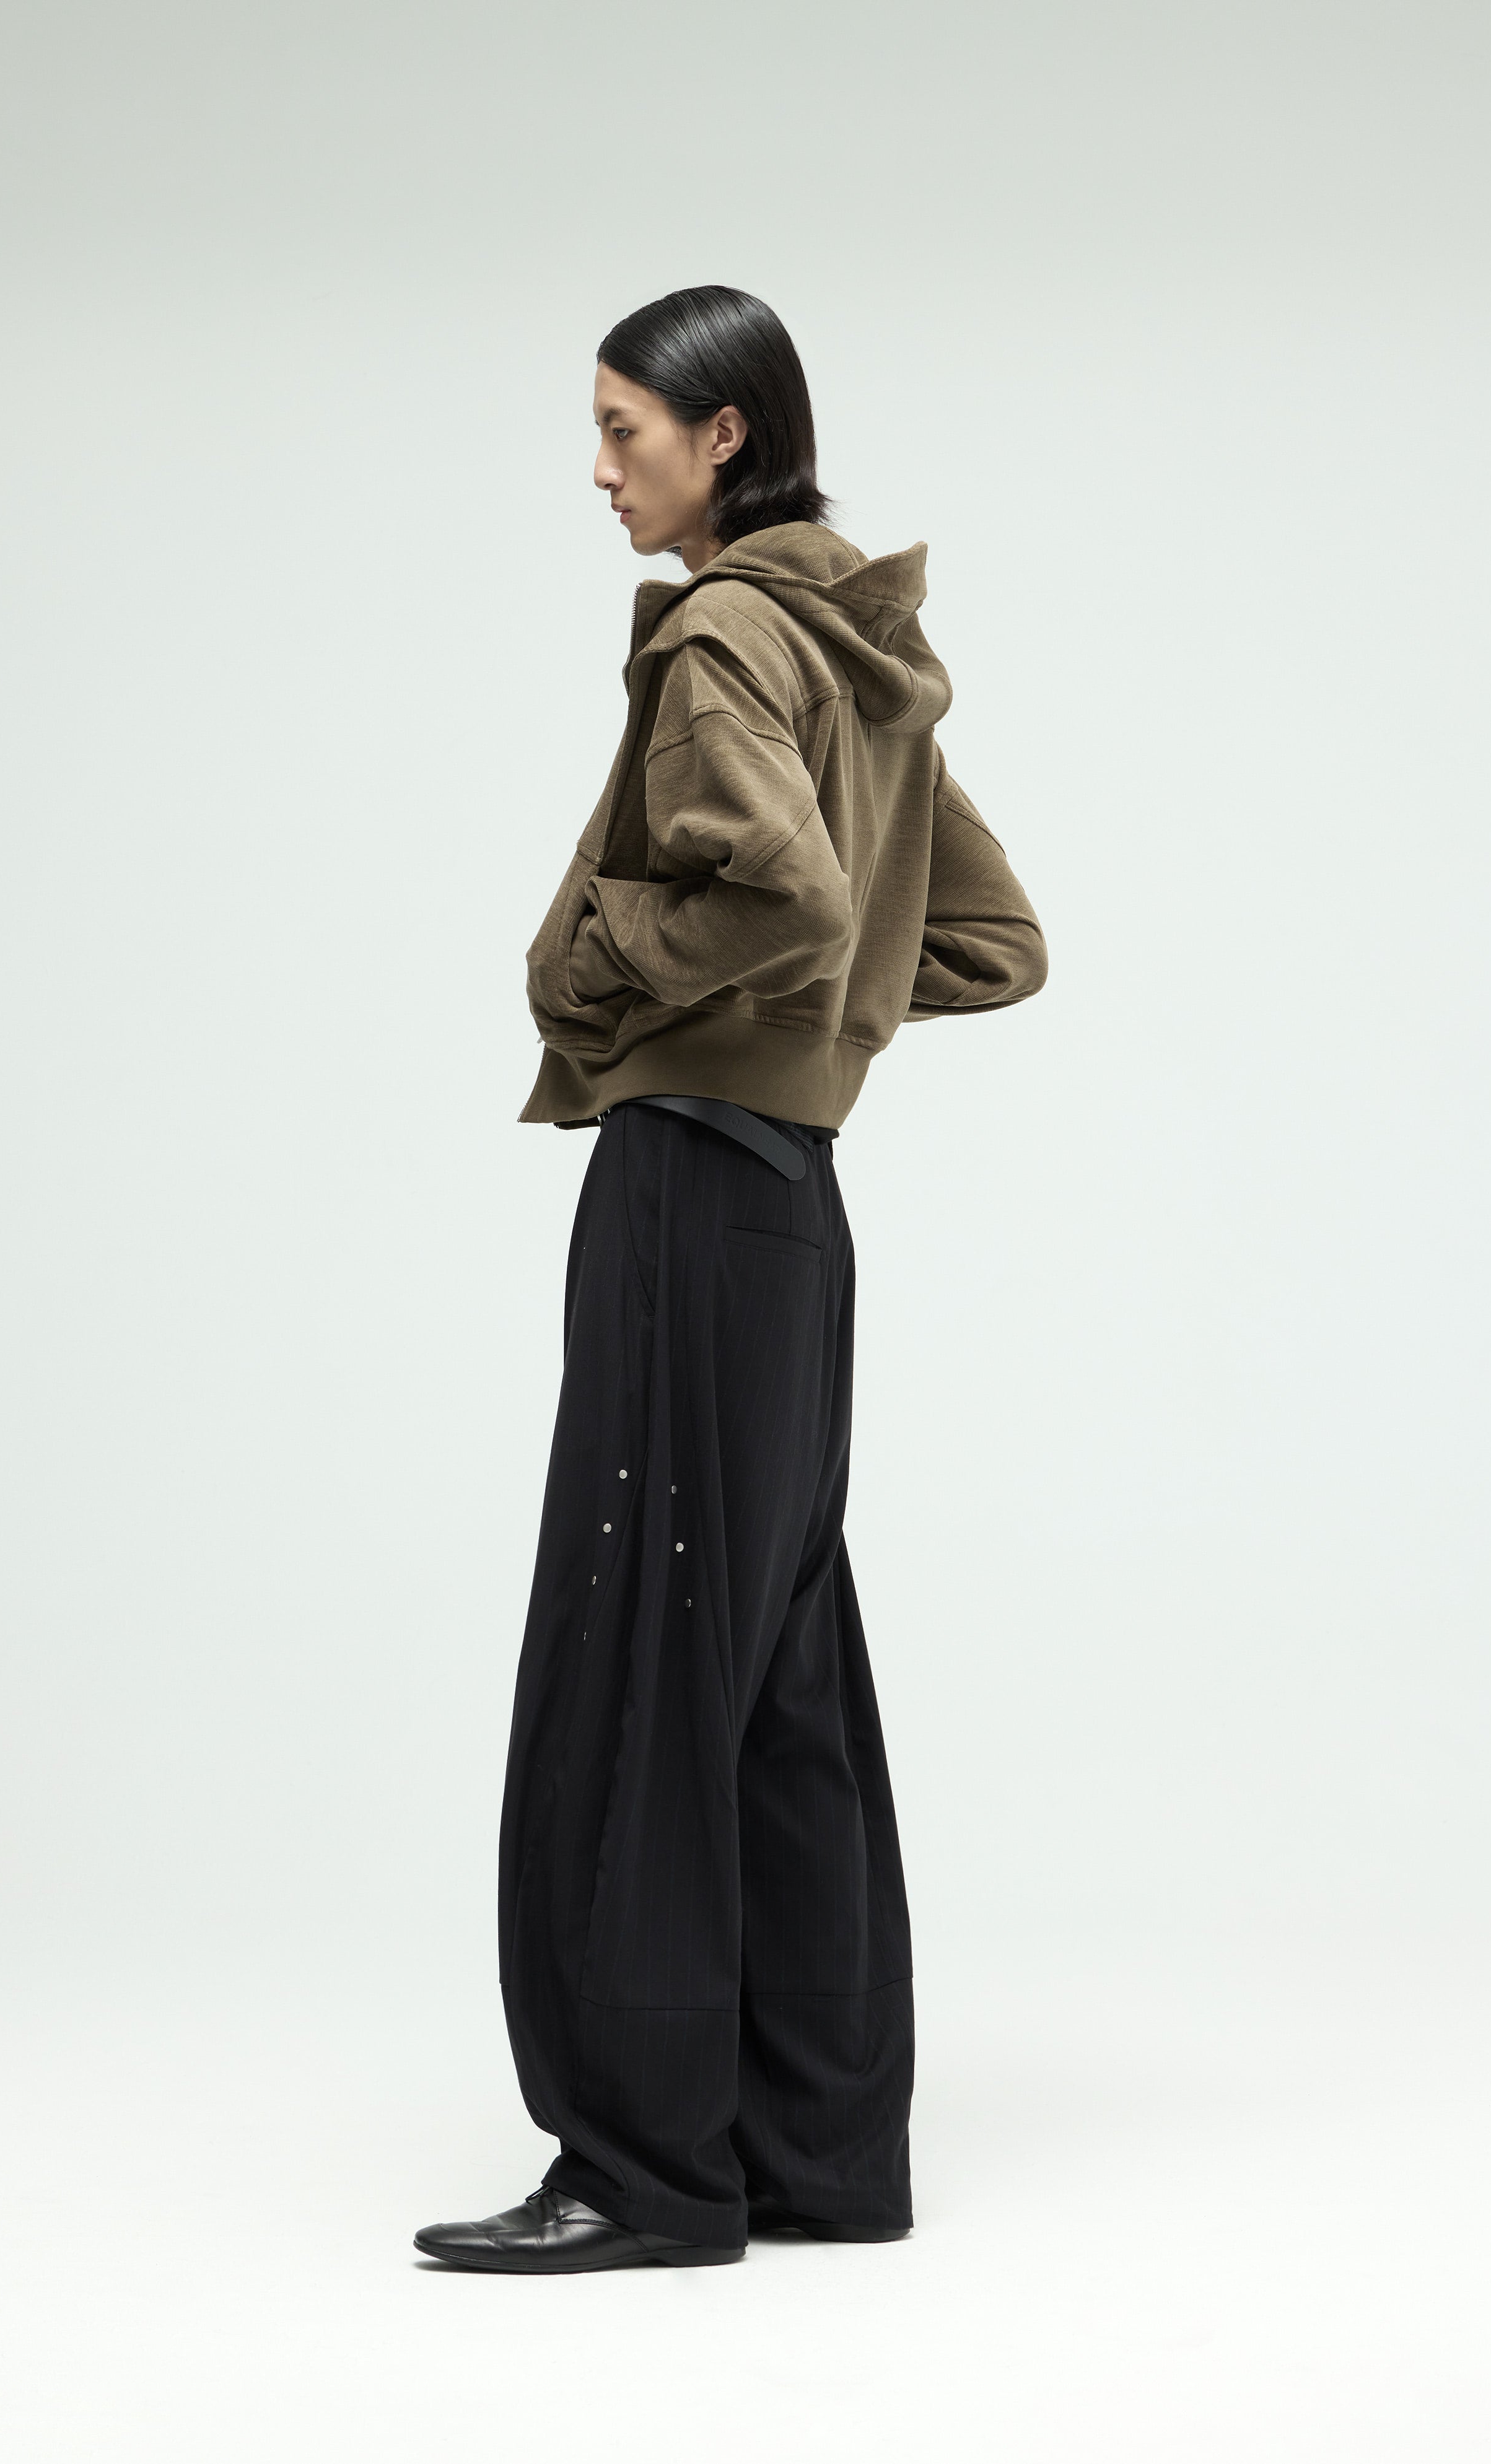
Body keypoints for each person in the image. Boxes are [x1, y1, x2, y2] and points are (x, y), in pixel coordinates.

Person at [413, 286, 1046, 2274]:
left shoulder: (719, 639)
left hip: (691, 1191)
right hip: (799, 1219)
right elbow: (989, 940)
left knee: (636, 1659)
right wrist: (824, 1018)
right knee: (776, 1667)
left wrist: (597, 959)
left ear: (728, 436)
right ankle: (818, 2155)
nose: (600, 469)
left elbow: (783, 892)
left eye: (626, 429)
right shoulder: (859, 651)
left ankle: (645, 2169)